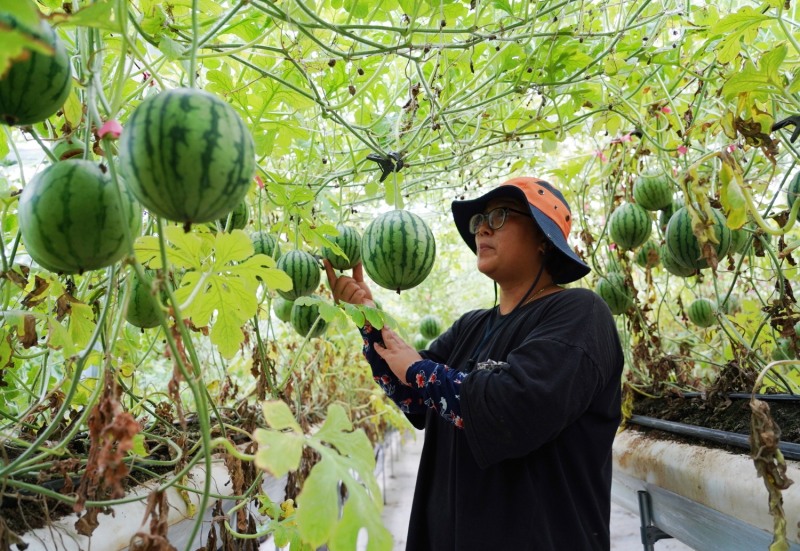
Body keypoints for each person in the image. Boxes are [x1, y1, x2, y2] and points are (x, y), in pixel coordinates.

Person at [324, 176, 624, 550]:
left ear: (543, 240)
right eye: (479, 218)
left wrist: (419, 371)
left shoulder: (580, 313)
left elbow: (517, 406)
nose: (482, 226)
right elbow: (415, 397)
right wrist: (368, 319)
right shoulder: (472, 325)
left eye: (499, 215)